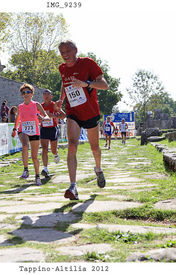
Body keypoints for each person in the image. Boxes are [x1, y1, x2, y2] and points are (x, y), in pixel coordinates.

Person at [56, 40, 109, 200]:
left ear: (75, 51)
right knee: (72, 145)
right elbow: (65, 84)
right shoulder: (62, 68)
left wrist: (85, 84)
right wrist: (61, 99)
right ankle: (73, 186)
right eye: (62, 53)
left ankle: (98, 169)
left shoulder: (88, 63)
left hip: (90, 112)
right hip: (73, 112)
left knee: (95, 148)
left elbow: (104, 85)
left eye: (67, 52)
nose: (65, 56)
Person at [11, 83, 50, 186]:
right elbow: (18, 118)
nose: (26, 94)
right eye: (23, 93)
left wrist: (43, 119)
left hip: (34, 131)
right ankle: (26, 170)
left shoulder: (36, 105)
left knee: (34, 157)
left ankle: (37, 177)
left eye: (28, 92)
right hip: (23, 130)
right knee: (24, 145)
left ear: (32, 93)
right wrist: (15, 129)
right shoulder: (20, 106)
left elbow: (46, 117)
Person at [40, 89, 66, 178]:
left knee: (53, 149)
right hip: (44, 128)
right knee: (44, 148)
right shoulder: (40, 106)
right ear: (43, 96)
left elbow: (63, 116)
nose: (46, 96)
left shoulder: (54, 105)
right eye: (45, 94)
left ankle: (55, 154)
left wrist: (54, 116)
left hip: (53, 128)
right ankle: (45, 168)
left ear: (51, 96)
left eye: (48, 94)